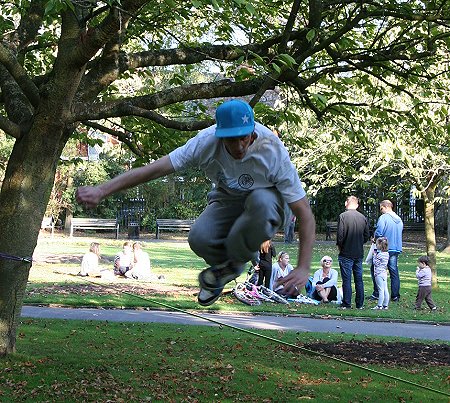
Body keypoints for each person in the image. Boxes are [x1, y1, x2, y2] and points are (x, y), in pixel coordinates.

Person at [75, 99, 315, 306]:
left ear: (253, 133)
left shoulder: (272, 151)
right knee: (199, 238)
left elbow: (304, 214)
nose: (240, 146)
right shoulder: (204, 142)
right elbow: (153, 170)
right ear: (220, 137)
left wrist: (303, 267)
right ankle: (225, 270)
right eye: (232, 140)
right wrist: (102, 190)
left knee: (260, 201)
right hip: (228, 197)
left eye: (244, 139)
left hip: (270, 200)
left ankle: (237, 259)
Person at [336, 196, 370, 309]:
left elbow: (340, 236)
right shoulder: (362, 217)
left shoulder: (343, 216)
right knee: (358, 279)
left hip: (346, 252)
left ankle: (347, 302)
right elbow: (366, 235)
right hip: (358, 252)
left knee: (347, 279)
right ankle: (359, 304)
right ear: (357, 205)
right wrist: (360, 242)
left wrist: (340, 246)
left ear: (346, 203)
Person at [371, 199, 403, 302]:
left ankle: (377, 293)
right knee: (394, 272)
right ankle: (395, 295)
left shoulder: (383, 218)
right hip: (396, 247)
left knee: (376, 268)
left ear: (385, 207)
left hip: (384, 248)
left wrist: (375, 239)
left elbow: (379, 231)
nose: (381, 211)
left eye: (381, 208)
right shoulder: (398, 219)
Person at [371, 237, 389, 310]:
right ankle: (385, 305)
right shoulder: (387, 254)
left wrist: (374, 255)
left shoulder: (379, 255)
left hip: (378, 273)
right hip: (384, 273)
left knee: (380, 290)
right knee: (385, 289)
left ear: (380, 245)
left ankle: (379, 305)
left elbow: (376, 263)